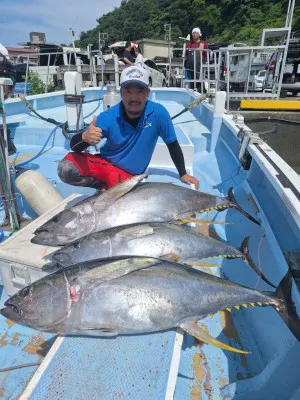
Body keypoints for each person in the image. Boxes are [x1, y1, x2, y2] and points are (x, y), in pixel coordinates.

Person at [57, 66, 199, 191]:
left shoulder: (159, 114)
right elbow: (73, 146)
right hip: (106, 166)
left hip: (131, 177)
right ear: (121, 93)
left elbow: (172, 144)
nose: (134, 97)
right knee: (66, 167)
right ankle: (105, 186)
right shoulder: (108, 117)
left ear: (148, 93)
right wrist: (84, 137)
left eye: (139, 91)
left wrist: (183, 173)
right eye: (128, 91)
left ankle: (112, 188)